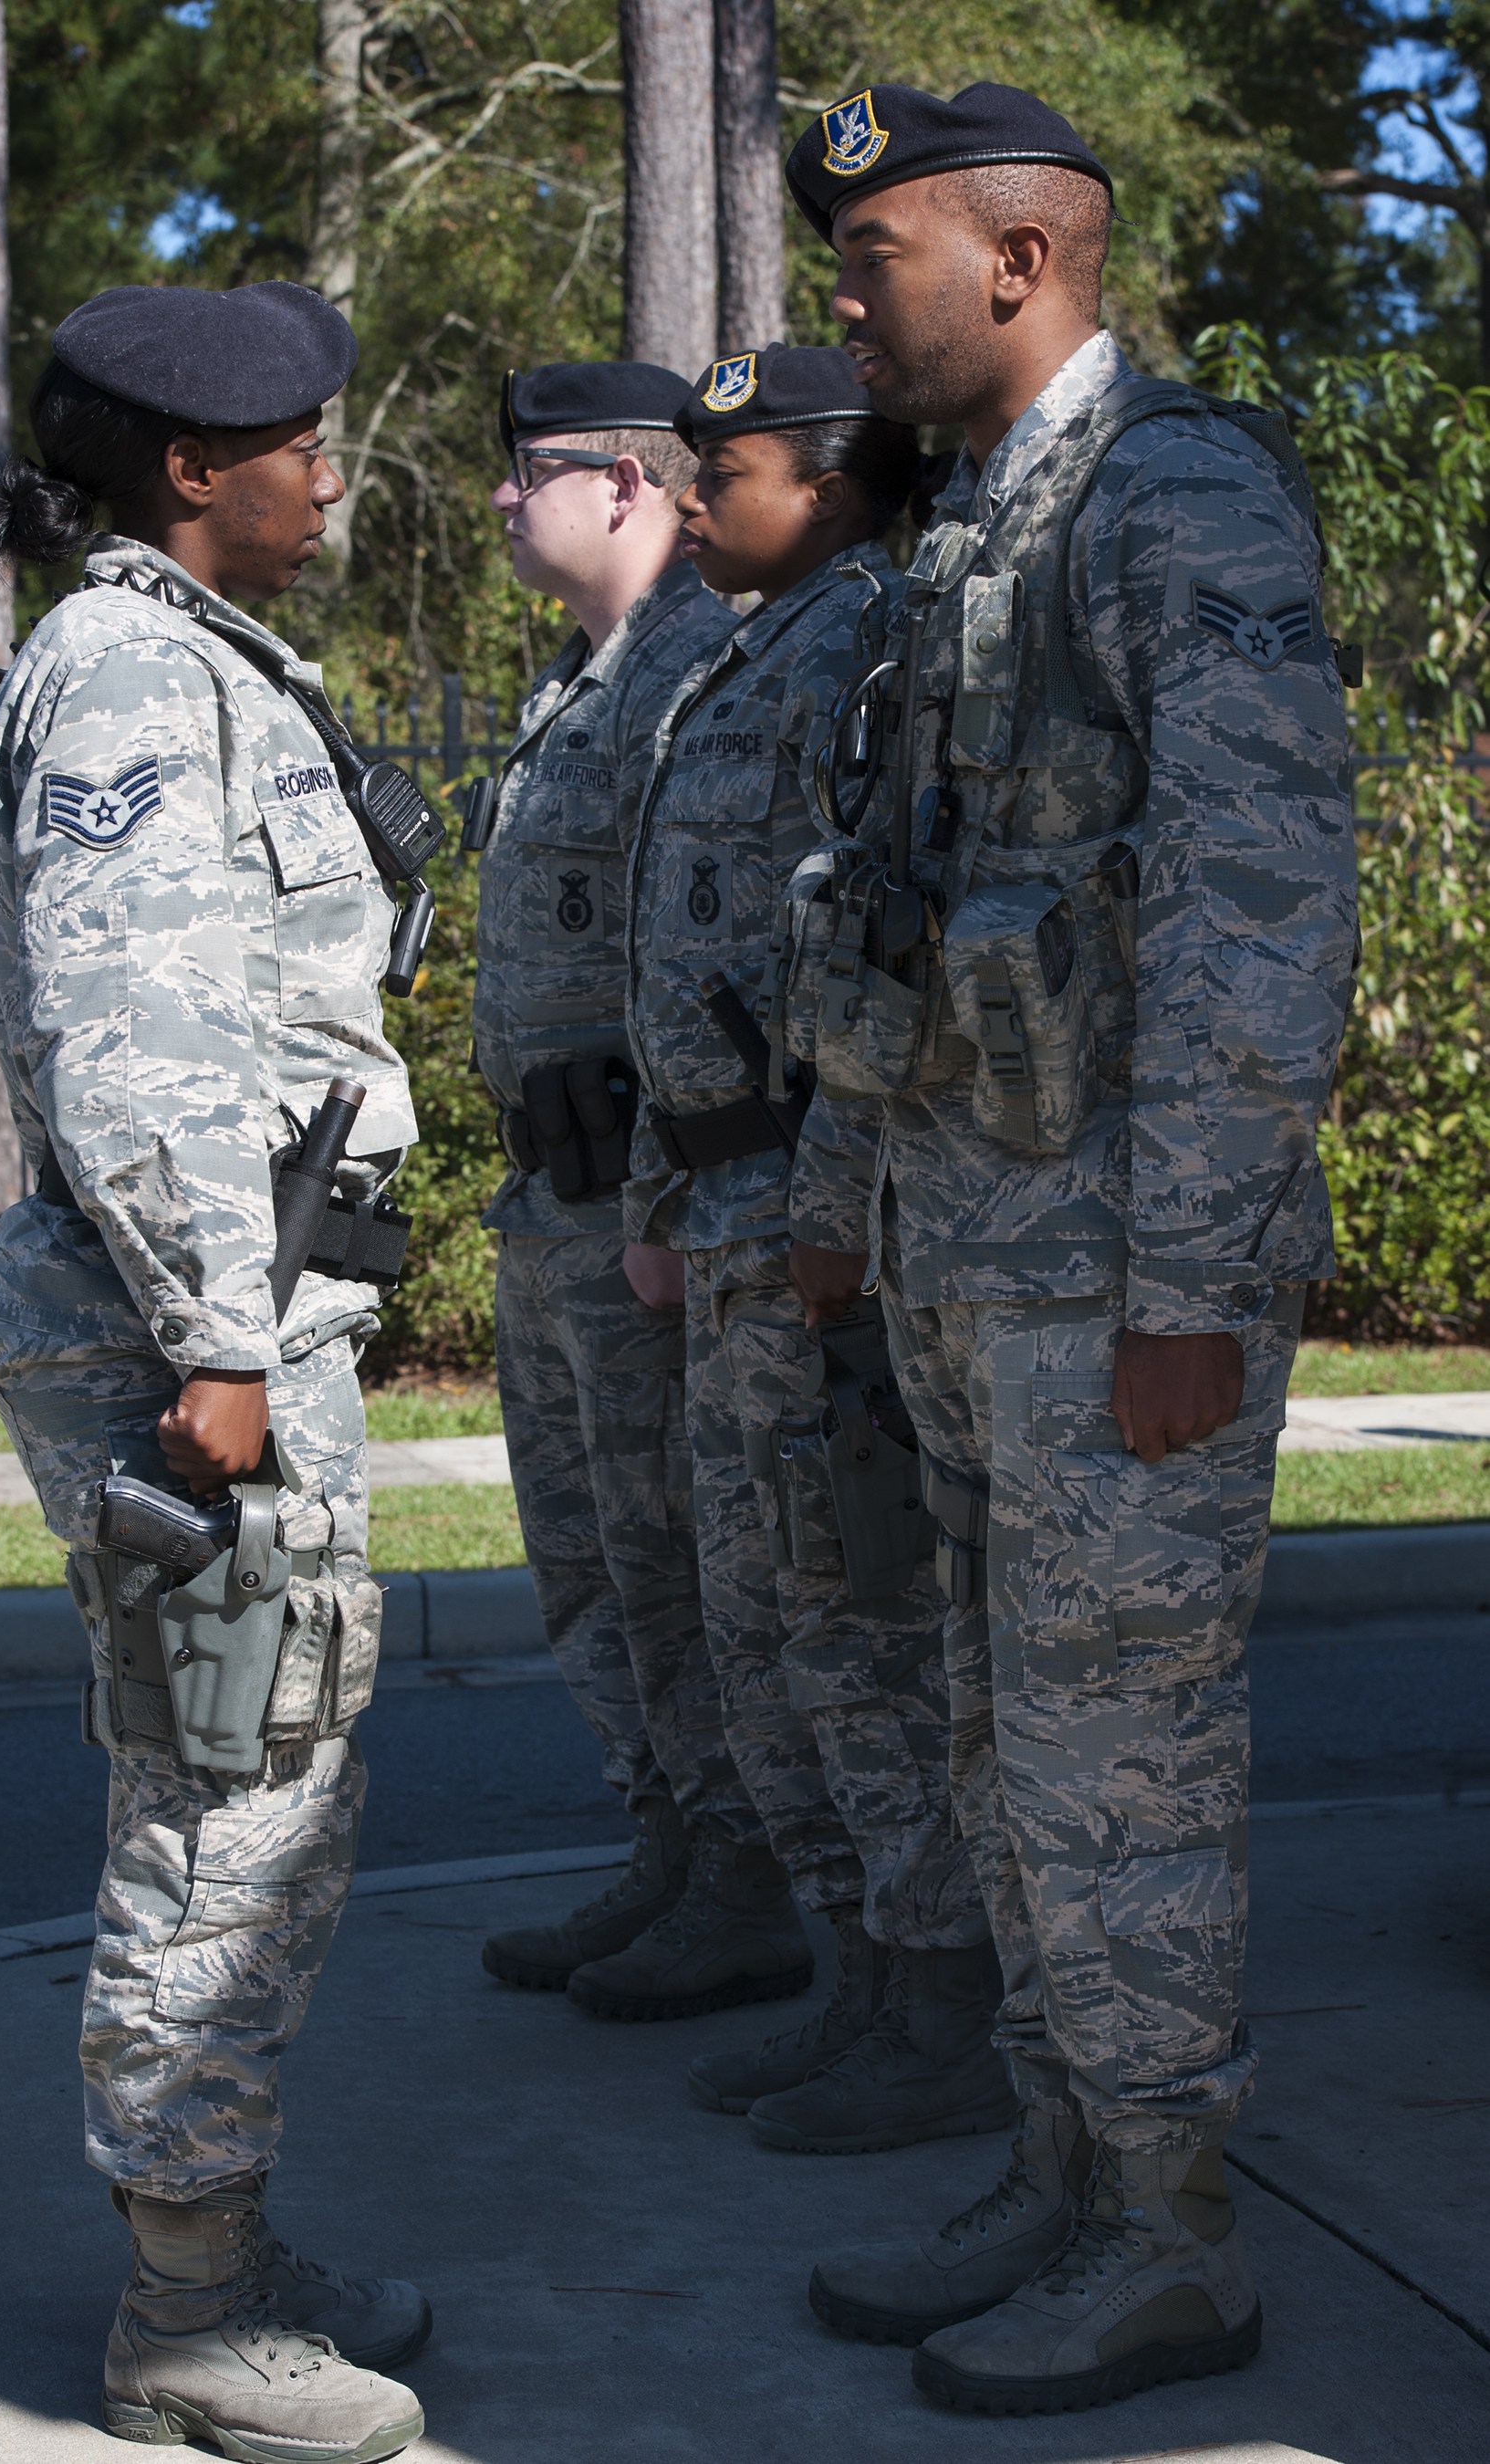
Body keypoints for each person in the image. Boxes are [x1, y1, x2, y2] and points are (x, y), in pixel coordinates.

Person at [777, 84, 1358, 2413]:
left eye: (874, 247)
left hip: (1117, 1279)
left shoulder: (1171, 497)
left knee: (1120, 1764)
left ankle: (1169, 2237)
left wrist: (1188, 1288)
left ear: (1018, 257)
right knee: (1015, 1755)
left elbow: (1255, 911)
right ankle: (1057, 2168)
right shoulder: (964, 536)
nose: (839, 290)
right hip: (968, 1260)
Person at [0, 282, 429, 2462]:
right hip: (194, 1343)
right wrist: (222, 1349)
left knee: (266, 1789)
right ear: (186, 467)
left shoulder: (185, 661)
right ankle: (178, 2315)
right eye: (297, 438)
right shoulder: (140, 669)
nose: (326, 469)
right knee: (227, 1808)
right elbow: (131, 1037)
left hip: (234, 1320)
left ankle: (222, 2256)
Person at [603, 342, 1009, 2153]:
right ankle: (853, 1978)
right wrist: (658, 1197)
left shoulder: (863, 647)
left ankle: (932, 2000)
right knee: (766, 1618)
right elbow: (665, 967)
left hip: (811, 1213)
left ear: (832, 479)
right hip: (728, 1205)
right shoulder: (742, 649)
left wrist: (831, 1210)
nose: (689, 503)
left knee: (856, 1626)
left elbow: (867, 957)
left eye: (729, 470)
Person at [473, 363, 798, 2020]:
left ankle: (744, 1876)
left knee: (675, 1553)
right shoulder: (571, 682)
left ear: (624, 484)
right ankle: (667, 1845)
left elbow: (714, 958)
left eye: (526, 471)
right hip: (554, 1199)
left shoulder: (690, 671)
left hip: (637, 1203)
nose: (501, 502)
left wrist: (668, 1194)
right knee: (586, 1558)